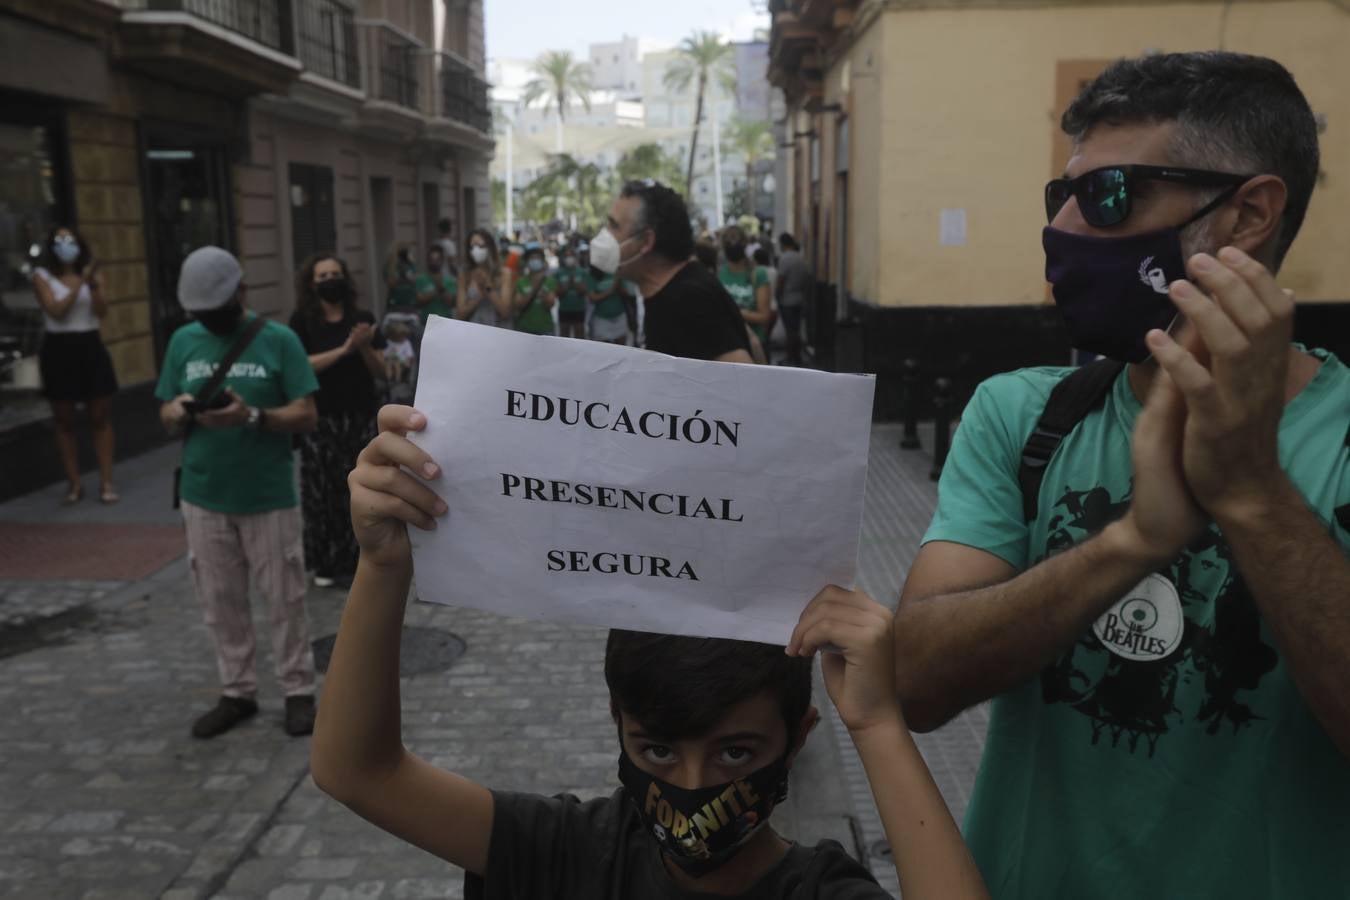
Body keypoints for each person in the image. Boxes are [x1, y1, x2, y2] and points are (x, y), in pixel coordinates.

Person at [893, 52, 1350, 897]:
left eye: (1109, 197)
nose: (1064, 228)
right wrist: (1134, 541)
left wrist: (1250, 493)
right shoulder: (1023, 414)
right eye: (1060, 196)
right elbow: (915, 682)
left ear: (1248, 213)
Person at [312, 403, 990, 900]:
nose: (692, 789)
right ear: (619, 725)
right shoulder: (569, 852)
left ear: (799, 735)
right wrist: (382, 569)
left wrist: (876, 723)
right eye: (658, 751)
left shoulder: (815, 892)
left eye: (736, 753)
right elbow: (358, 773)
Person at [155, 246, 321, 739]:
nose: (210, 319)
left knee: (284, 599)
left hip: (268, 495)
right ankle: (238, 691)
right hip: (204, 495)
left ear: (241, 292)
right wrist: (182, 408)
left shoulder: (279, 341)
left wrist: (251, 416)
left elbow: (307, 413)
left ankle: (297, 691)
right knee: (219, 600)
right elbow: (164, 414)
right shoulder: (183, 341)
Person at [288, 253, 385, 589]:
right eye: (322, 275)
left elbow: (382, 371)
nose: (330, 279)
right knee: (322, 492)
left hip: (359, 418)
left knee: (359, 488)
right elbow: (300, 366)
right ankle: (327, 562)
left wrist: (363, 347)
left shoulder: (363, 319)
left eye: (335, 273)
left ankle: (363, 557)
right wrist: (344, 350)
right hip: (321, 419)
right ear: (312, 284)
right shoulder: (301, 322)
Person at [591, 181, 751, 363]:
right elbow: (751, 341)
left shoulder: (690, 299)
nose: (605, 234)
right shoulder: (672, 290)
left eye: (614, 225)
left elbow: (745, 376)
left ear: (646, 241)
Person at [31, 226, 119, 504]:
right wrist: (81, 282)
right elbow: (56, 311)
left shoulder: (93, 277)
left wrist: (92, 284)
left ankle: (106, 482)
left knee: (99, 417)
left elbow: (102, 311)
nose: (66, 245)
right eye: (60, 240)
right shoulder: (42, 276)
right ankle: (75, 483)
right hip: (59, 349)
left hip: (90, 345)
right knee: (64, 420)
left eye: (71, 240)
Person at [717, 225, 773, 350]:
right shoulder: (719, 273)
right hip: (726, 346)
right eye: (729, 241)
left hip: (754, 345)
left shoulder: (758, 274)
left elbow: (764, 317)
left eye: (736, 240)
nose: (733, 244)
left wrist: (733, 312)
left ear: (745, 244)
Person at [458, 228, 513, 328]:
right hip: (473, 331)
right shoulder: (465, 274)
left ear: (490, 247)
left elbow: (505, 312)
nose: (476, 250)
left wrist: (487, 286)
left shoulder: (504, 273)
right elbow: (460, 314)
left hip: (498, 332)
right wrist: (479, 296)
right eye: (472, 246)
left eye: (481, 245)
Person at [775, 234, 811, 366]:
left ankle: (790, 358)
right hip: (799, 299)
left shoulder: (785, 258)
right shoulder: (801, 259)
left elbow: (781, 280)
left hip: (787, 300)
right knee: (795, 329)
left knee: (790, 331)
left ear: (783, 244)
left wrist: (777, 296)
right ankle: (797, 357)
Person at [512, 242, 558, 336]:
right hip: (524, 328)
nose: (535, 261)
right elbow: (518, 305)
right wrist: (534, 289)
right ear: (527, 262)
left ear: (542, 261)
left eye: (537, 258)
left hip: (545, 328)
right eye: (532, 259)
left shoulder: (549, 281)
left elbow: (551, 303)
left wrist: (541, 291)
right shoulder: (521, 282)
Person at [586, 265, 629, 345]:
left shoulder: (617, 273)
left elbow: (626, 293)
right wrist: (611, 290)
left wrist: (619, 286)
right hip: (601, 319)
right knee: (602, 349)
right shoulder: (593, 275)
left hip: (619, 317)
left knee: (622, 348)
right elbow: (593, 298)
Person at [415, 246, 457, 324]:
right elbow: (419, 301)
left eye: (437, 260)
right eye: (432, 260)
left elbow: (451, 302)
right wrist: (436, 291)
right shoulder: (421, 279)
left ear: (442, 261)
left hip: (446, 320)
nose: (434, 262)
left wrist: (441, 288)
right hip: (426, 322)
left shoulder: (449, 280)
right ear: (427, 261)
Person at [554, 245, 587, 339]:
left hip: (579, 309)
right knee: (564, 336)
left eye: (571, 255)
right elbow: (557, 292)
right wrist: (569, 285)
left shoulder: (582, 272)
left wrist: (573, 285)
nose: (569, 258)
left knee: (580, 335)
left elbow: (584, 291)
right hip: (564, 309)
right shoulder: (559, 272)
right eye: (567, 256)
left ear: (575, 257)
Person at [384, 243, 419, 314]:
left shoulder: (411, 266)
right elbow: (391, 283)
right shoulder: (391, 267)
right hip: (395, 304)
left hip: (410, 303)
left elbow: (414, 280)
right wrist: (403, 278)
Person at [382, 320, 415, 387]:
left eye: (404, 335)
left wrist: (408, 361)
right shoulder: (389, 342)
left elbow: (410, 355)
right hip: (391, 359)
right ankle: (389, 379)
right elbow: (385, 353)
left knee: (397, 364)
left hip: (403, 361)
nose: (402, 337)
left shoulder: (406, 343)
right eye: (400, 335)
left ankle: (397, 380)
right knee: (389, 364)